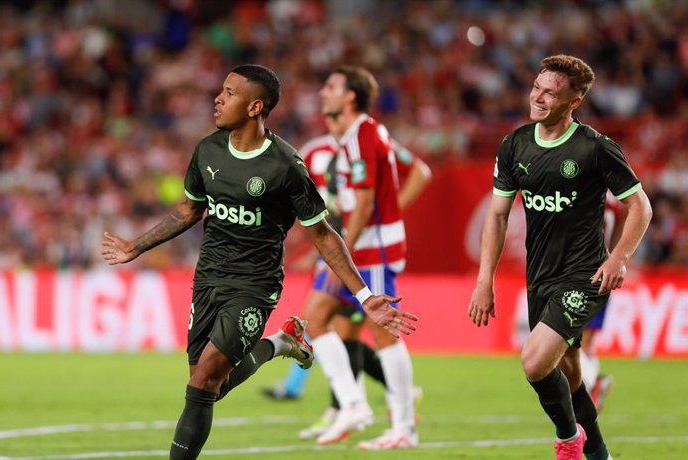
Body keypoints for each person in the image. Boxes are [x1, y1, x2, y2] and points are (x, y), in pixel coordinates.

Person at [100, 64, 418, 460]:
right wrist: (136, 246)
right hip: (209, 279)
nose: (218, 98)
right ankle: (281, 343)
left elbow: (321, 232)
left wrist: (365, 295)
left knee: (203, 381)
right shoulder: (208, 150)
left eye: (230, 93)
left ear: (254, 107)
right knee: (209, 384)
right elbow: (187, 211)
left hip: (255, 284)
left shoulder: (285, 164)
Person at [468, 55, 652, 460]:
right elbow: (497, 215)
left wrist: (618, 258)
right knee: (570, 375)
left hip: (584, 275)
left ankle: (570, 440)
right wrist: (485, 281)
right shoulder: (515, 143)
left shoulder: (595, 148)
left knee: (534, 363)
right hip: (541, 277)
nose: (538, 96)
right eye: (537, 87)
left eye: (551, 92)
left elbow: (640, 207)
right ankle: (599, 452)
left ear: (575, 100)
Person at [262, 133, 431, 407]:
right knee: (330, 324)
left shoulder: (373, 141)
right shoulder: (314, 150)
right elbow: (308, 206)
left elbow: (420, 173)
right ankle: (346, 405)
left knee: (334, 324)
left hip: (359, 252)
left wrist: (386, 216)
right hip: (335, 248)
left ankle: (389, 407)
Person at [300, 65, 419, 450]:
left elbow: (366, 203)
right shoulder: (356, 136)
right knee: (317, 317)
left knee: (383, 331)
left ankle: (403, 428)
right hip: (361, 247)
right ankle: (352, 405)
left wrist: (340, 253)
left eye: (331, 86)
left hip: (373, 250)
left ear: (350, 96)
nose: (323, 92)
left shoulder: (364, 133)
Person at [580, 192, 626, 413]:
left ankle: (591, 387)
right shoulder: (616, 199)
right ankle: (594, 385)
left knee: (572, 340)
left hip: (584, 271)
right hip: (605, 268)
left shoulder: (586, 190)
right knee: (586, 341)